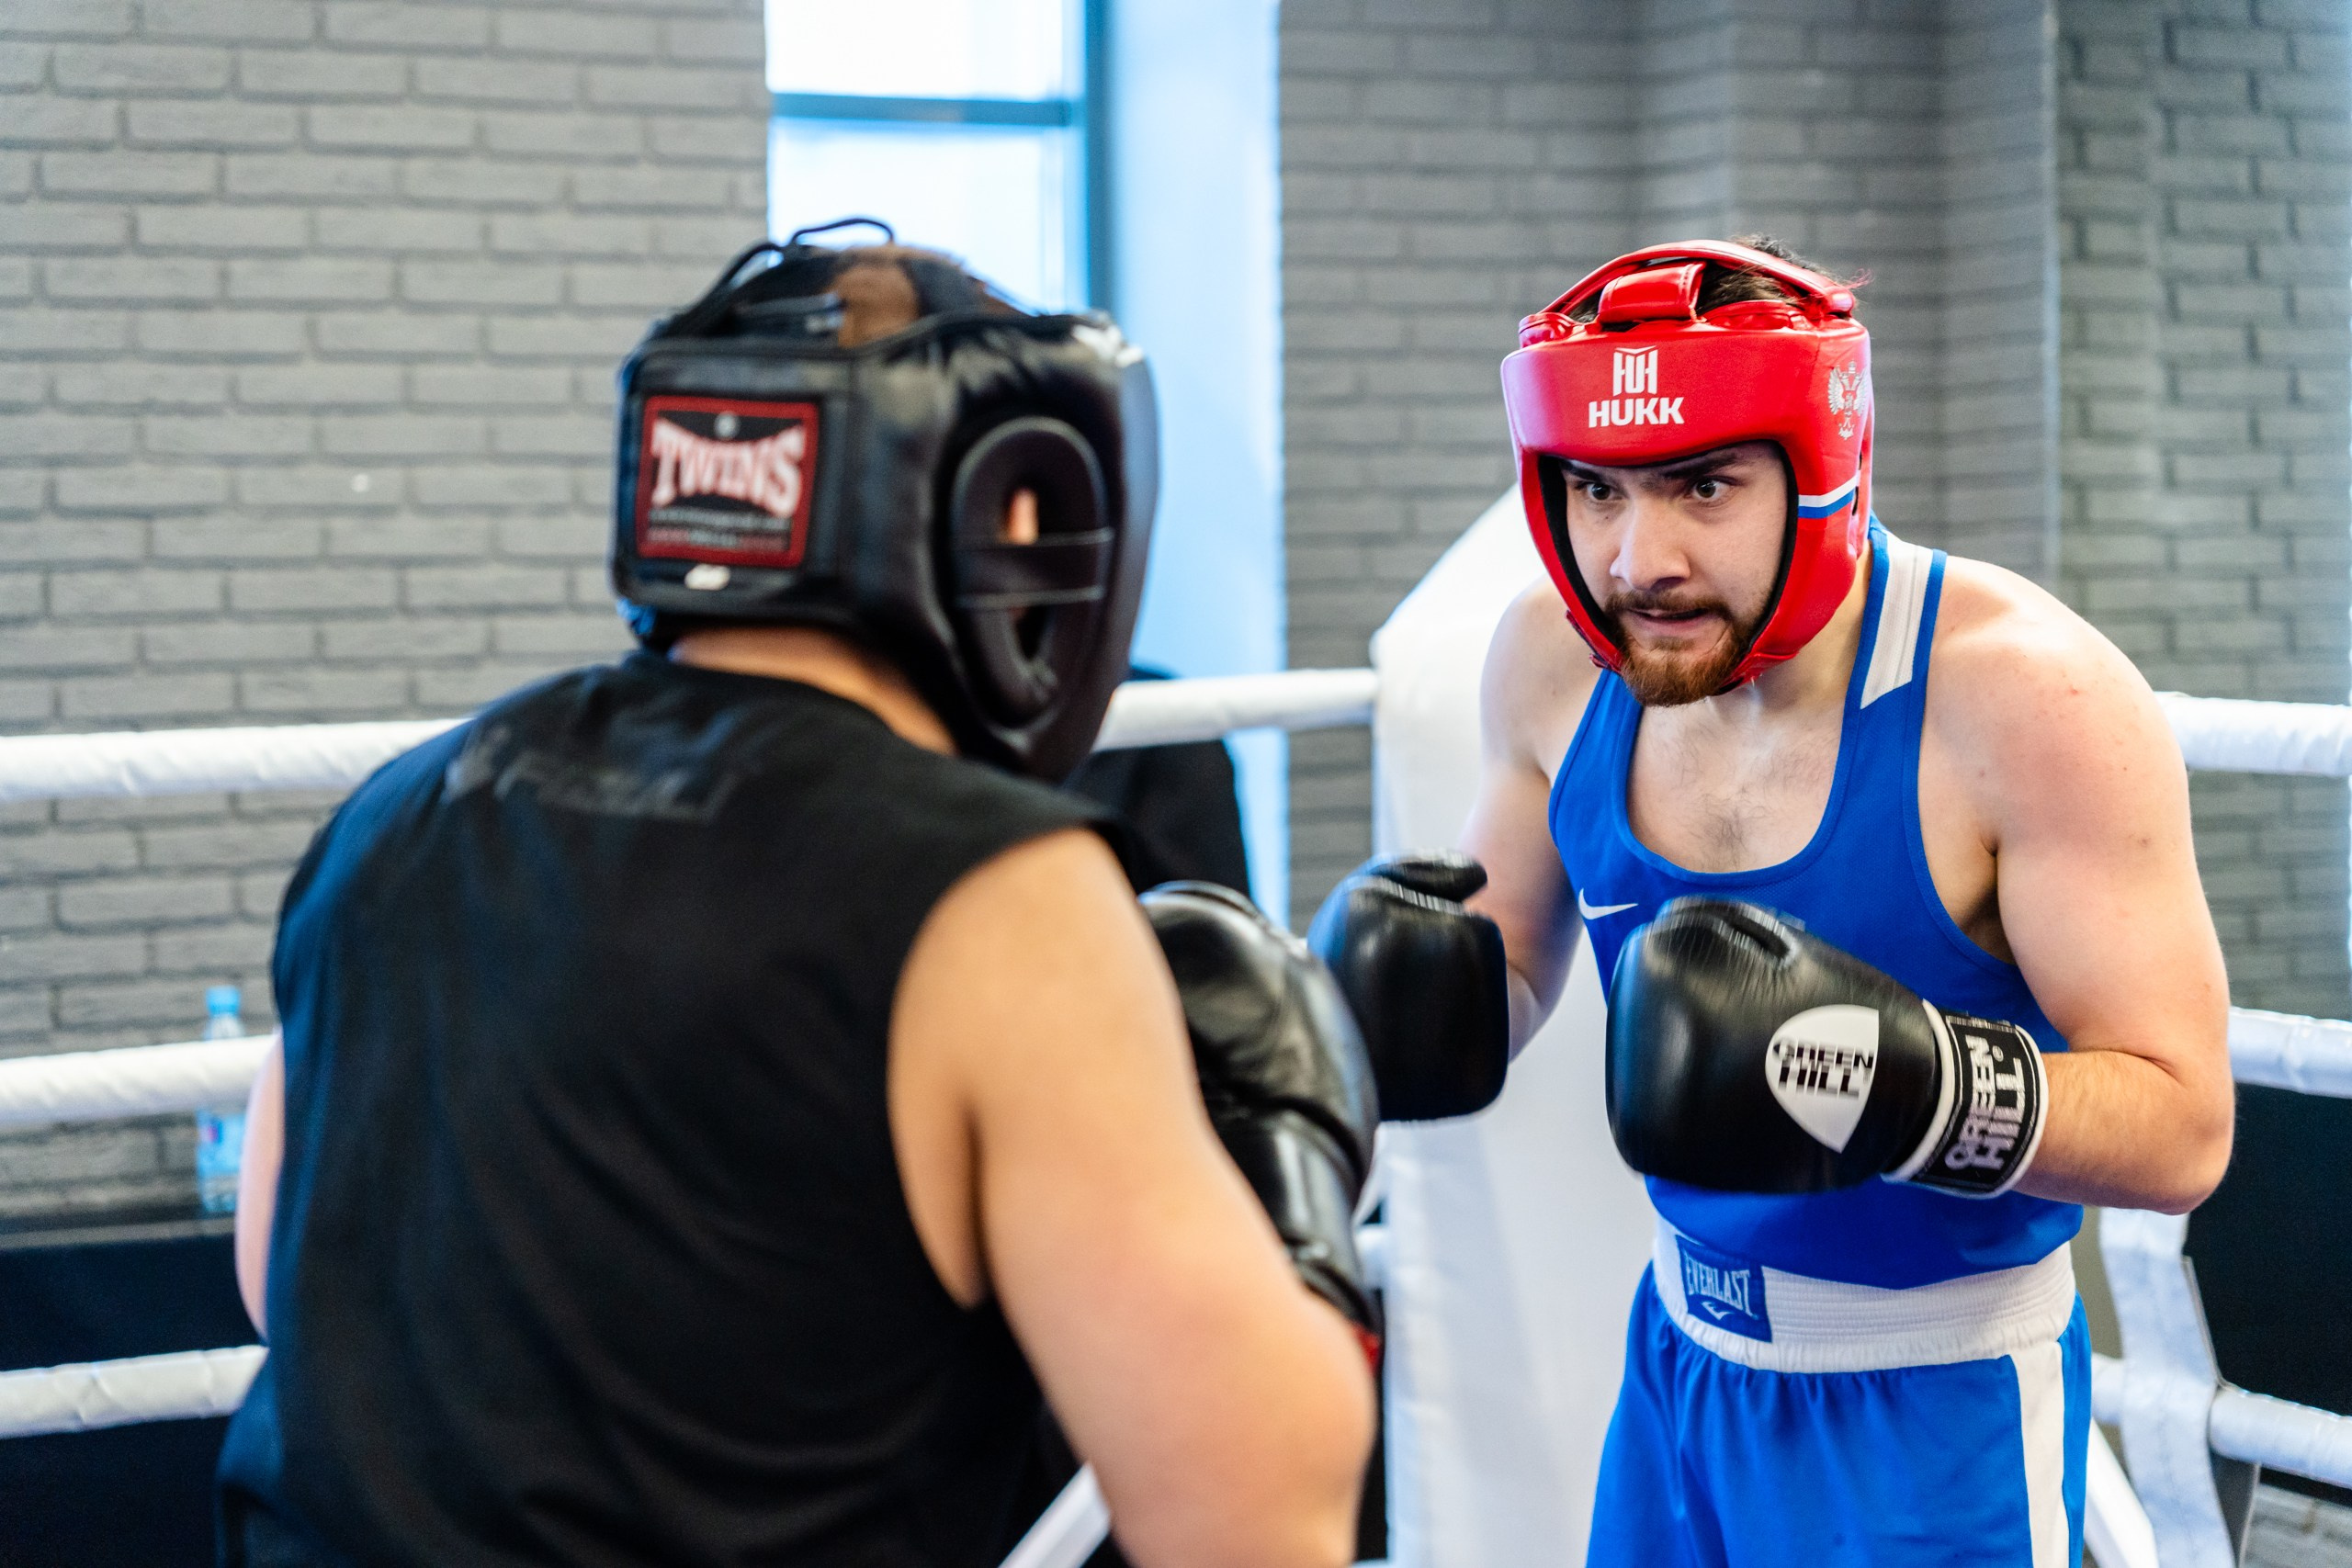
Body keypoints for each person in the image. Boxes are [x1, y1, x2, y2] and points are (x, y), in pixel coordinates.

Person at [215, 226, 1377, 1568]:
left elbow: (275, 1278)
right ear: (1015, 513)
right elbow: (1251, 1525)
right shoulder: (1000, 895)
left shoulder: (399, 811)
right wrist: (1291, 1178)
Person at [1311, 237, 2233, 1565]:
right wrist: (1383, 999)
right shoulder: (1552, 667)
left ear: (1824, 467)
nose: (1642, 559)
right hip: (1681, 1373)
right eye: (1598, 491)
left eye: (1702, 485)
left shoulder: (2026, 699)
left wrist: (1900, 1083)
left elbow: (2183, 1126)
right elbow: (1494, 983)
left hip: (1938, 1409)